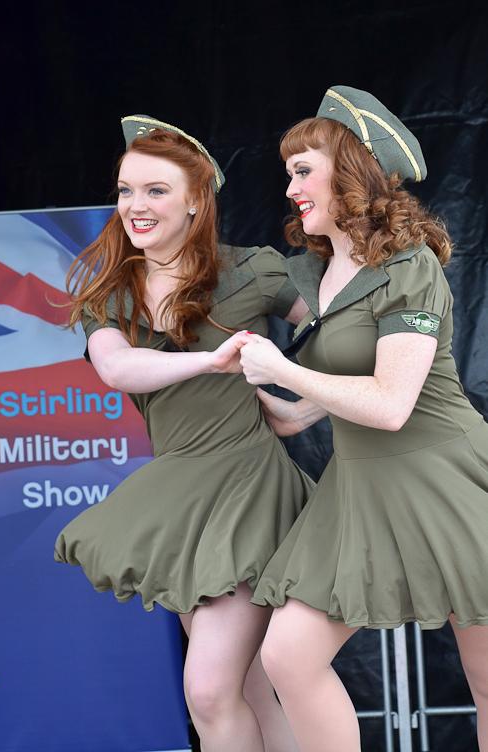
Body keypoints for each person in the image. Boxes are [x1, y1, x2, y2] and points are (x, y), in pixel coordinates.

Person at [228, 86, 488, 752]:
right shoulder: (311, 277)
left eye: (302, 170)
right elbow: (313, 405)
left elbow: (392, 403)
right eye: (288, 173)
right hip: (358, 487)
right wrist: (253, 392)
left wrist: (282, 371)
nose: (289, 187)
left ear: (352, 173)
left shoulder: (411, 267)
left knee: (487, 678)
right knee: (288, 658)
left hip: (446, 480)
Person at [54, 114, 315, 752]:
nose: (135, 207)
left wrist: (302, 405)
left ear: (197, 200)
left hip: (248, 485)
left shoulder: (253, 270)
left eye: (155, 190)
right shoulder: (111, 291)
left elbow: (349, 338)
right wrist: (211, 360)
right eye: (125, 190)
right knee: (244, 687)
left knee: (208, 689)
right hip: (182, 499)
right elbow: (117, 368)